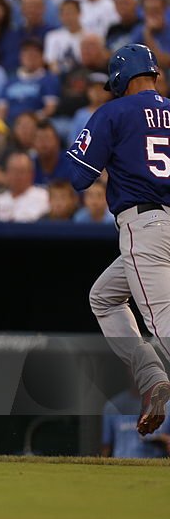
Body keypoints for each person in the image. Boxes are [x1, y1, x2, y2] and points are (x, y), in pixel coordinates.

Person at [66, 43, 170, 436]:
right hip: (162, 225)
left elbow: (79, 177)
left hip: (146, 227)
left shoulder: (114, 111)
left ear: (120, 80)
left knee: (163, 323)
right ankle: (152, 375)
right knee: (105, 296)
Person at [102, 384, 170, 458]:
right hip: (122, 465)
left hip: (155, 465)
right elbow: (106, 447)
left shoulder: (167, 406)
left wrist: (164, 440)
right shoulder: (113, 406)